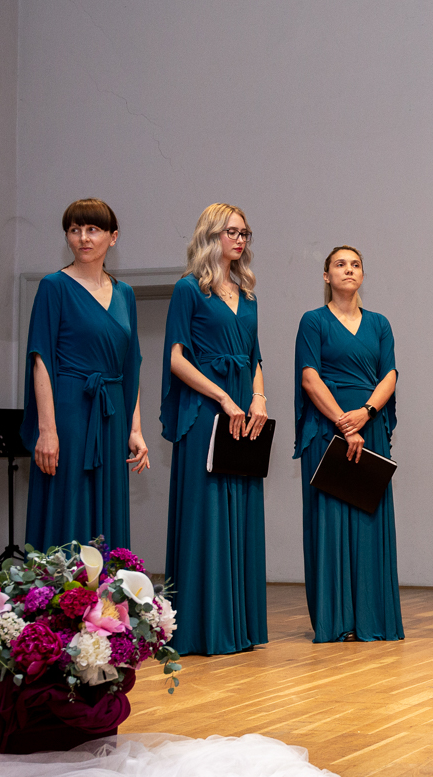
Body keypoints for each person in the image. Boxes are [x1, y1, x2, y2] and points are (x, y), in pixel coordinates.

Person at [161, 203, 268, 656]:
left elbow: (254, 356)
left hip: (245, 409)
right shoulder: (188, 289)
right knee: (206, 512)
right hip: (206, 410)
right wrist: (223, 398)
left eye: (244, 233)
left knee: (241, 508)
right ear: (211, 235)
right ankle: (203, 629)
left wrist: (258, 397)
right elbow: (175, 358)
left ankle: (239, 626)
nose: (240, 240)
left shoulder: (248, 294)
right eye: (231, 232)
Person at [21, 199, 149, 553]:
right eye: (74, 230)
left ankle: (106, 586)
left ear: (113, 237)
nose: (83, 238)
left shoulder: (125, 294)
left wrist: (135, 430)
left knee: (108, 511)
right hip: (69, 411)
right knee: (69, 501)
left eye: (92, 229)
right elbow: (40, 359)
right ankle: (61, 585)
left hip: (112, 415)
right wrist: (47, 430)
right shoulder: (54, 286)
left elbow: (131, 365)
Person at [294, 246, 402, 643]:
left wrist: (366, 413)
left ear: (363, 275)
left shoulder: (379, 323)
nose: (348, 270)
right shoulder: (313, 321)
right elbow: (309, 377)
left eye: (355, 265)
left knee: (370, 522)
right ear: (326, 276)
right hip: (328, 431)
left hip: (369, 427)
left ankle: (373, 619)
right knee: (331, 522)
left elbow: (389, 375)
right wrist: (344, 421)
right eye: (340, 264)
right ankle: (335, 621)